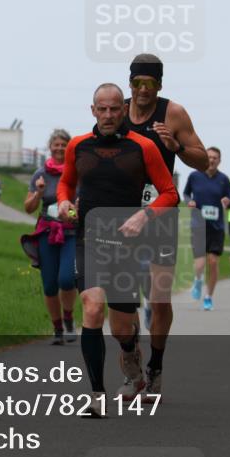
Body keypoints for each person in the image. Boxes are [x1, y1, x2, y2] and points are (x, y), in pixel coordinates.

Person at [57, 83, 179, 417]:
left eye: (114, 109)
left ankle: (131, 357)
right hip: (89, 237)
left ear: (123, 110)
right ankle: (96, 395)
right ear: (92, 110)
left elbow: (169, 193)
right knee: (93, 307)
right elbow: (66, 182)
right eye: (102, 109)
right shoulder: (78, 146)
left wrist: (144, 216)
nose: (108, 115)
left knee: (122, 326)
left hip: (126, 243)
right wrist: (64, 201)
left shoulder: (143, 147)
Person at [122, 53, 208, 402]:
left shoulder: (173, 113)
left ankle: (155, 367)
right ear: (130, 82)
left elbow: (202, 160)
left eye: (151, 84)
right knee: (123, 301)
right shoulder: (118, 110)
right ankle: (132, 368)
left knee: (158, 299)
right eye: (137, 83)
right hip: (121, 215)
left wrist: (177, 147)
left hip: (161, 213)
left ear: (160, 84)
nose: (143, 90)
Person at [22, 129, 78, 344]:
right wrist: (38, 192)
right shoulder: (40, 174)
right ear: (50, 147)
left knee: (66, 279)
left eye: (64, 144)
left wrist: (69, 213)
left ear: (69, 147)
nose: (60, 148)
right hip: (46, 233)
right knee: (49, 285)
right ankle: (57, 329)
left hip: (70, 232)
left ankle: (69, 318)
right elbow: (28, 208)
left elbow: (79, 210)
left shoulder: (75, 173)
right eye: (56, 144)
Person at [182, 146, 230, 311]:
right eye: (209, 157)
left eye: (215, 158)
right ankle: (198, 280)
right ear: (204, 158)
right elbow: (186, 194)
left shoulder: (224, 179)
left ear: (219, 161)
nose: (211, 160)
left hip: (216, 227)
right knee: (199, 264)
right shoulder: (194, 176)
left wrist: (228, 201)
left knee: (213, 262)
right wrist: (189, 201)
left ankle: (208, 297)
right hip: (198, 225)